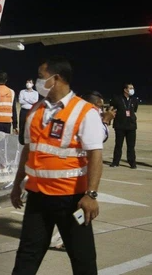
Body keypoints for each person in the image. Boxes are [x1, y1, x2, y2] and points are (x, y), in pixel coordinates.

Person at [10, 56, 105, 275]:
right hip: (37, 197)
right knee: (27, 255)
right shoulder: (34, 110)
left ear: (57, 78)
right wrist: (17, 184)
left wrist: (91, 195)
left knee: (82, 258)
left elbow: (95, 156)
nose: (37, 81)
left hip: (71, 199)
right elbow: (28, 150)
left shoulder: (85, 111)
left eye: (41, 76)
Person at [49, 90, 115, 251]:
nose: (101, 110)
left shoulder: (70, 113)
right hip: (74, 176)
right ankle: (67, 239)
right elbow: (99, 138)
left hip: (65, 173)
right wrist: (105, 121)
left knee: (71, 212)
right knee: (77, 211)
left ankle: (67, 237)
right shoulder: (87, 115)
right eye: (100, 106)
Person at [109, 83, 139, 169]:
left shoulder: (134, 100)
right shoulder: (117, 99)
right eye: (130, 88)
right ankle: (115, 162)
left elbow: (134, 110)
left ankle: (132, 162)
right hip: (120, 125)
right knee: (118, 145)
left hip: (131, 126)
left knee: (131, 146)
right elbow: (111, 109)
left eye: (133, 88)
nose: (132, 90)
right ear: (125, 90)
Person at [18, 79, 39, 145]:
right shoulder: (22, 92)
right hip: (23, 111)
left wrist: (26, 99)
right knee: (22, 126)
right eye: (27, 82)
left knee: (30, 126)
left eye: (30, 82)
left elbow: (35, 102)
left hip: (31, 111)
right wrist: (30, 101)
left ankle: (29, 141)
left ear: (33, 84)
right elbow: (21, 101)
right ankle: (21, 141)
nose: (28, 83)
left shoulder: (35, 93)